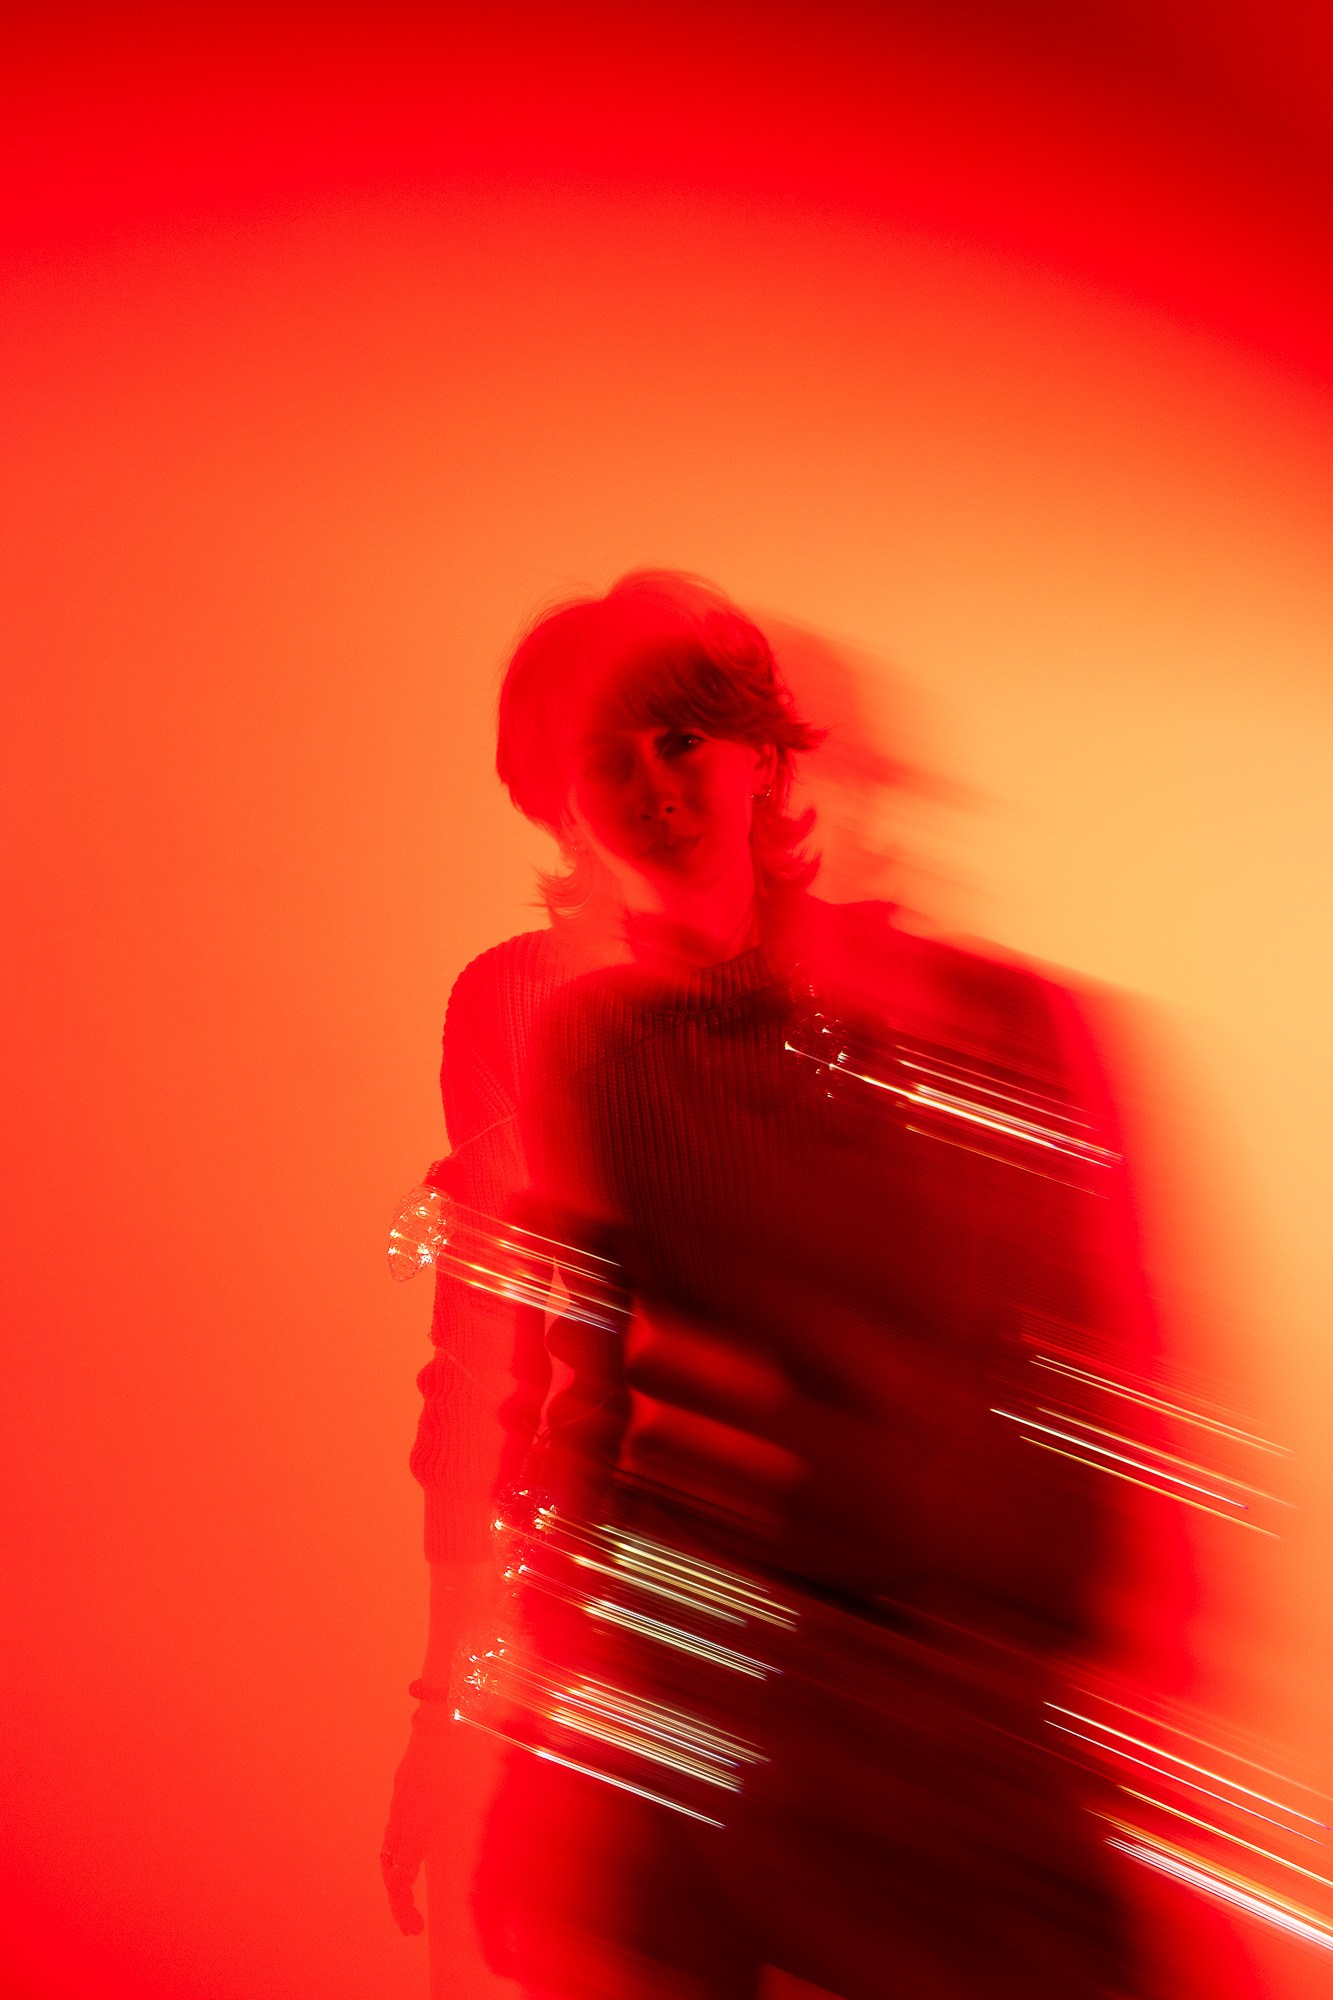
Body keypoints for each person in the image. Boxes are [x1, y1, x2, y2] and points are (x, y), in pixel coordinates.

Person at [387, 572, 1151, 1998]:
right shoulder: (562, 1033)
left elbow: (1086, 1385)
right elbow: (533, 1384)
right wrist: (492, 1712)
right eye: (603, 757)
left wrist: (1034, 1681)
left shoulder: (980, 1019)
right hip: (716, 1692)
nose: (650, 784)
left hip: (948, 1703)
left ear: (763, 754)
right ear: (558, 801)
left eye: (682, 736)